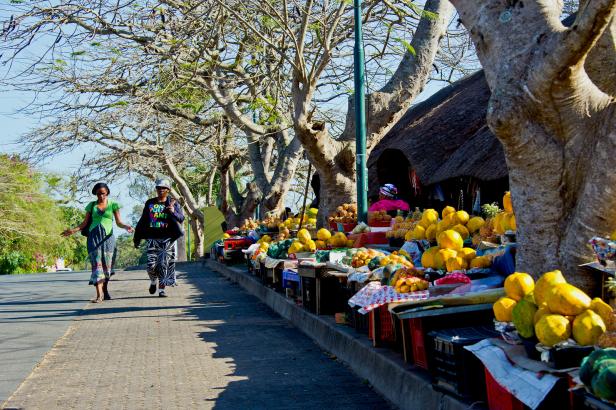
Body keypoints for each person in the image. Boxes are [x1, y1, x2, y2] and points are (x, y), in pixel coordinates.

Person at [62, 182, 133, 303]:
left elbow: (119, 222)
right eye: (99, 194)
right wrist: (72, 230)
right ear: (95, 194)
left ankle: (105, 291)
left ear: (107, 193)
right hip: (93, 238)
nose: (101, 196)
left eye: (103, 194)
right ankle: (99, 295)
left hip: (108, 239)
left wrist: (126, 226)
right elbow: (84, 223)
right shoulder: (91, 205)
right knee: (97, 266)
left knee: (107, 267)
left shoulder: (113, 204)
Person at [133, 178, 185, 297]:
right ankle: (153, 281)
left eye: (163, 188)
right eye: (158, 188)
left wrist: (173, 211)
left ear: (168, 190)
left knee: (163, 264)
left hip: (168, 238)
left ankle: (161, 290)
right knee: (151, 265)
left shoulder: (173, 203)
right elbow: (143, 220)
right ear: (156, 189)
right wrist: (137, 238)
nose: (161, 190)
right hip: (152, 238)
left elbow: (181, 218)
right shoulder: (150, 203)